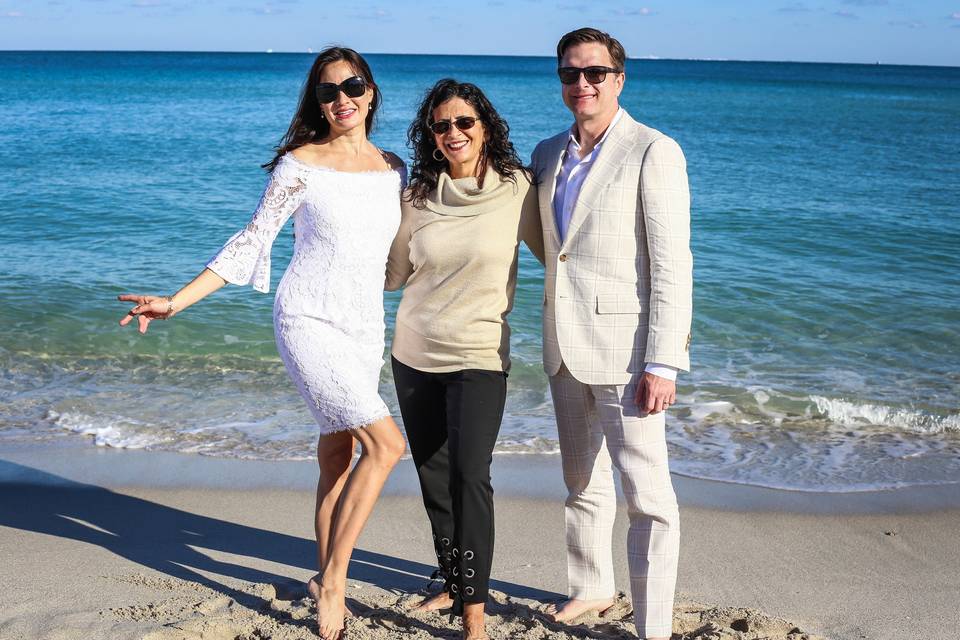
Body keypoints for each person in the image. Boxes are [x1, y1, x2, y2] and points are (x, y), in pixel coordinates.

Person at [117, 46, 407, 640]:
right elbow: (252, 240)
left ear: (372, 91)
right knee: (385, 446)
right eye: (328, 92)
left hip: (363, 327)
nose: (342, 99)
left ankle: (326, 576)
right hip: (307, 319)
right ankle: (332, 582)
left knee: (337, 455)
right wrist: (176, 300)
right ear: (317, 103)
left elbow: (401, 254)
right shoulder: (299, 164)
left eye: (352, 86)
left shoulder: (396, 168)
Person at [529, 28, 693, 640]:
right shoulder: (548, 154)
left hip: (629, 357)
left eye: (595, 73)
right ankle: (592, 586)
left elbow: (672, 265)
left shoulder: (654, 151)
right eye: (571, 73)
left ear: (619, 79)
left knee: (648, 496)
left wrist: (664, 361)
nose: (583, 84)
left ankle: (652, 627)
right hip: (564, 345)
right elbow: (551, 248)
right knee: (581, 481)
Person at [384, 79, 544, 640]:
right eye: (440, 125)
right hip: (414, 351)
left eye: (463, 123)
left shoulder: (520, 189)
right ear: (429, 136)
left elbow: (563, 256)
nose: (452, 133)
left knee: (470, 475)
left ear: (485, 127)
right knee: (433, 476)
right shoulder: (416, 197)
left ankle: (474, 614)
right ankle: (451, 581)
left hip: (479, 353)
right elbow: (394, 275)